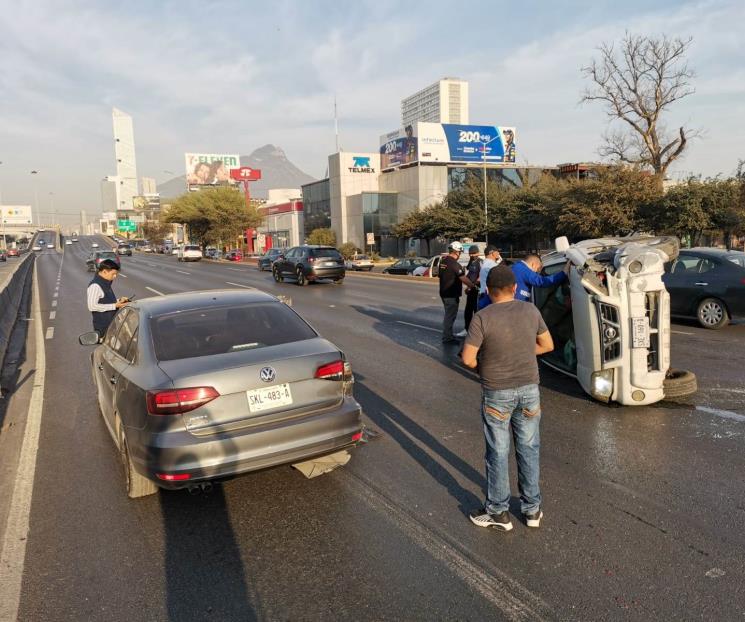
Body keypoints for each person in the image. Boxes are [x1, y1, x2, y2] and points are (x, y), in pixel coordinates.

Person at [461, 264, 554, 532]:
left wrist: (488, 361)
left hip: (497, 392)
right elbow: (547, 345)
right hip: (529, 390)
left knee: (498, 453)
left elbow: (468, 358)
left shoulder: (482, 316)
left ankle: (498, 512)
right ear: (515, 288)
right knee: (529, 448)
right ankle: (532, 510)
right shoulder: (531, 310)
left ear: (489, 291)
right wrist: (523, 352)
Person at [439, 241, 475, 344]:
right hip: (451, 294)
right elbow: (463, 278)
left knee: (448, 315)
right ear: (456, 252)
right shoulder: (455, 264)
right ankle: (447, 338)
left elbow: (440, 275)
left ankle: (448, 335)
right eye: (460, 252)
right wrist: (472, 286)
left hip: (443, 293)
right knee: (450, 316)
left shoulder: (443, 262)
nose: (459, 255)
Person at [87, 259, 129, 338]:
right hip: (104, 328)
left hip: (111, 325)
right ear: (104, 272)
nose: (115, 276)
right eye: (113, 274)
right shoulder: (95, 286)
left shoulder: (105, 283)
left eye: (116, 274)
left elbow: (105, 301)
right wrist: (115, 306)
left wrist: (119, 301)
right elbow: (92, 306)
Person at [456, 245, 483, 337]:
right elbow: (468, 275)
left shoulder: (480, 262)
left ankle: (476, 332)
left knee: (476, 311)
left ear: (477, 253)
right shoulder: (471, 262)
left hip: (476, 289)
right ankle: (467, 329)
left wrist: (472, 286)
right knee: (468, 311)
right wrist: (467, 286)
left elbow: (480, 276)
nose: (471, 255)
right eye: (470, 254)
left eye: (473, 253)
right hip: (470, 289)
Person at [476, 245, 503, 311]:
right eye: (497, 252)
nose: (499, 254)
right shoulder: (492, 265)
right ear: (492, 253)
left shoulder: (484, 263)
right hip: (489, 297)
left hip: (483, 295)